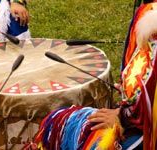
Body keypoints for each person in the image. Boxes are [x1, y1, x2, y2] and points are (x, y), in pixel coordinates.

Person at [34, 2, 157, 150]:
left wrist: (123, 118)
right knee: (57, 122)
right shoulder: (148, 13)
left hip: (146, 132)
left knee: (82, 134)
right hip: (135, 117)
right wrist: (128, 92)